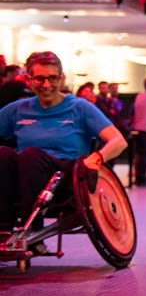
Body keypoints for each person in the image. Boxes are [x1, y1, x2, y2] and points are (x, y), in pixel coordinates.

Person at [0, 51, 127, 233]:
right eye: (39, 79)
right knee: (3, 154)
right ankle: (3, 228)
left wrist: (97, 158)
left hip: (63, 177)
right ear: (29, 79)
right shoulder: (18, 109)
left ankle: (31, 231)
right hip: (23, 175)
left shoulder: (79, 107)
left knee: (30, 155)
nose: (46, 85)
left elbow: (119, 141)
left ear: (61, 78)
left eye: (52, 78)